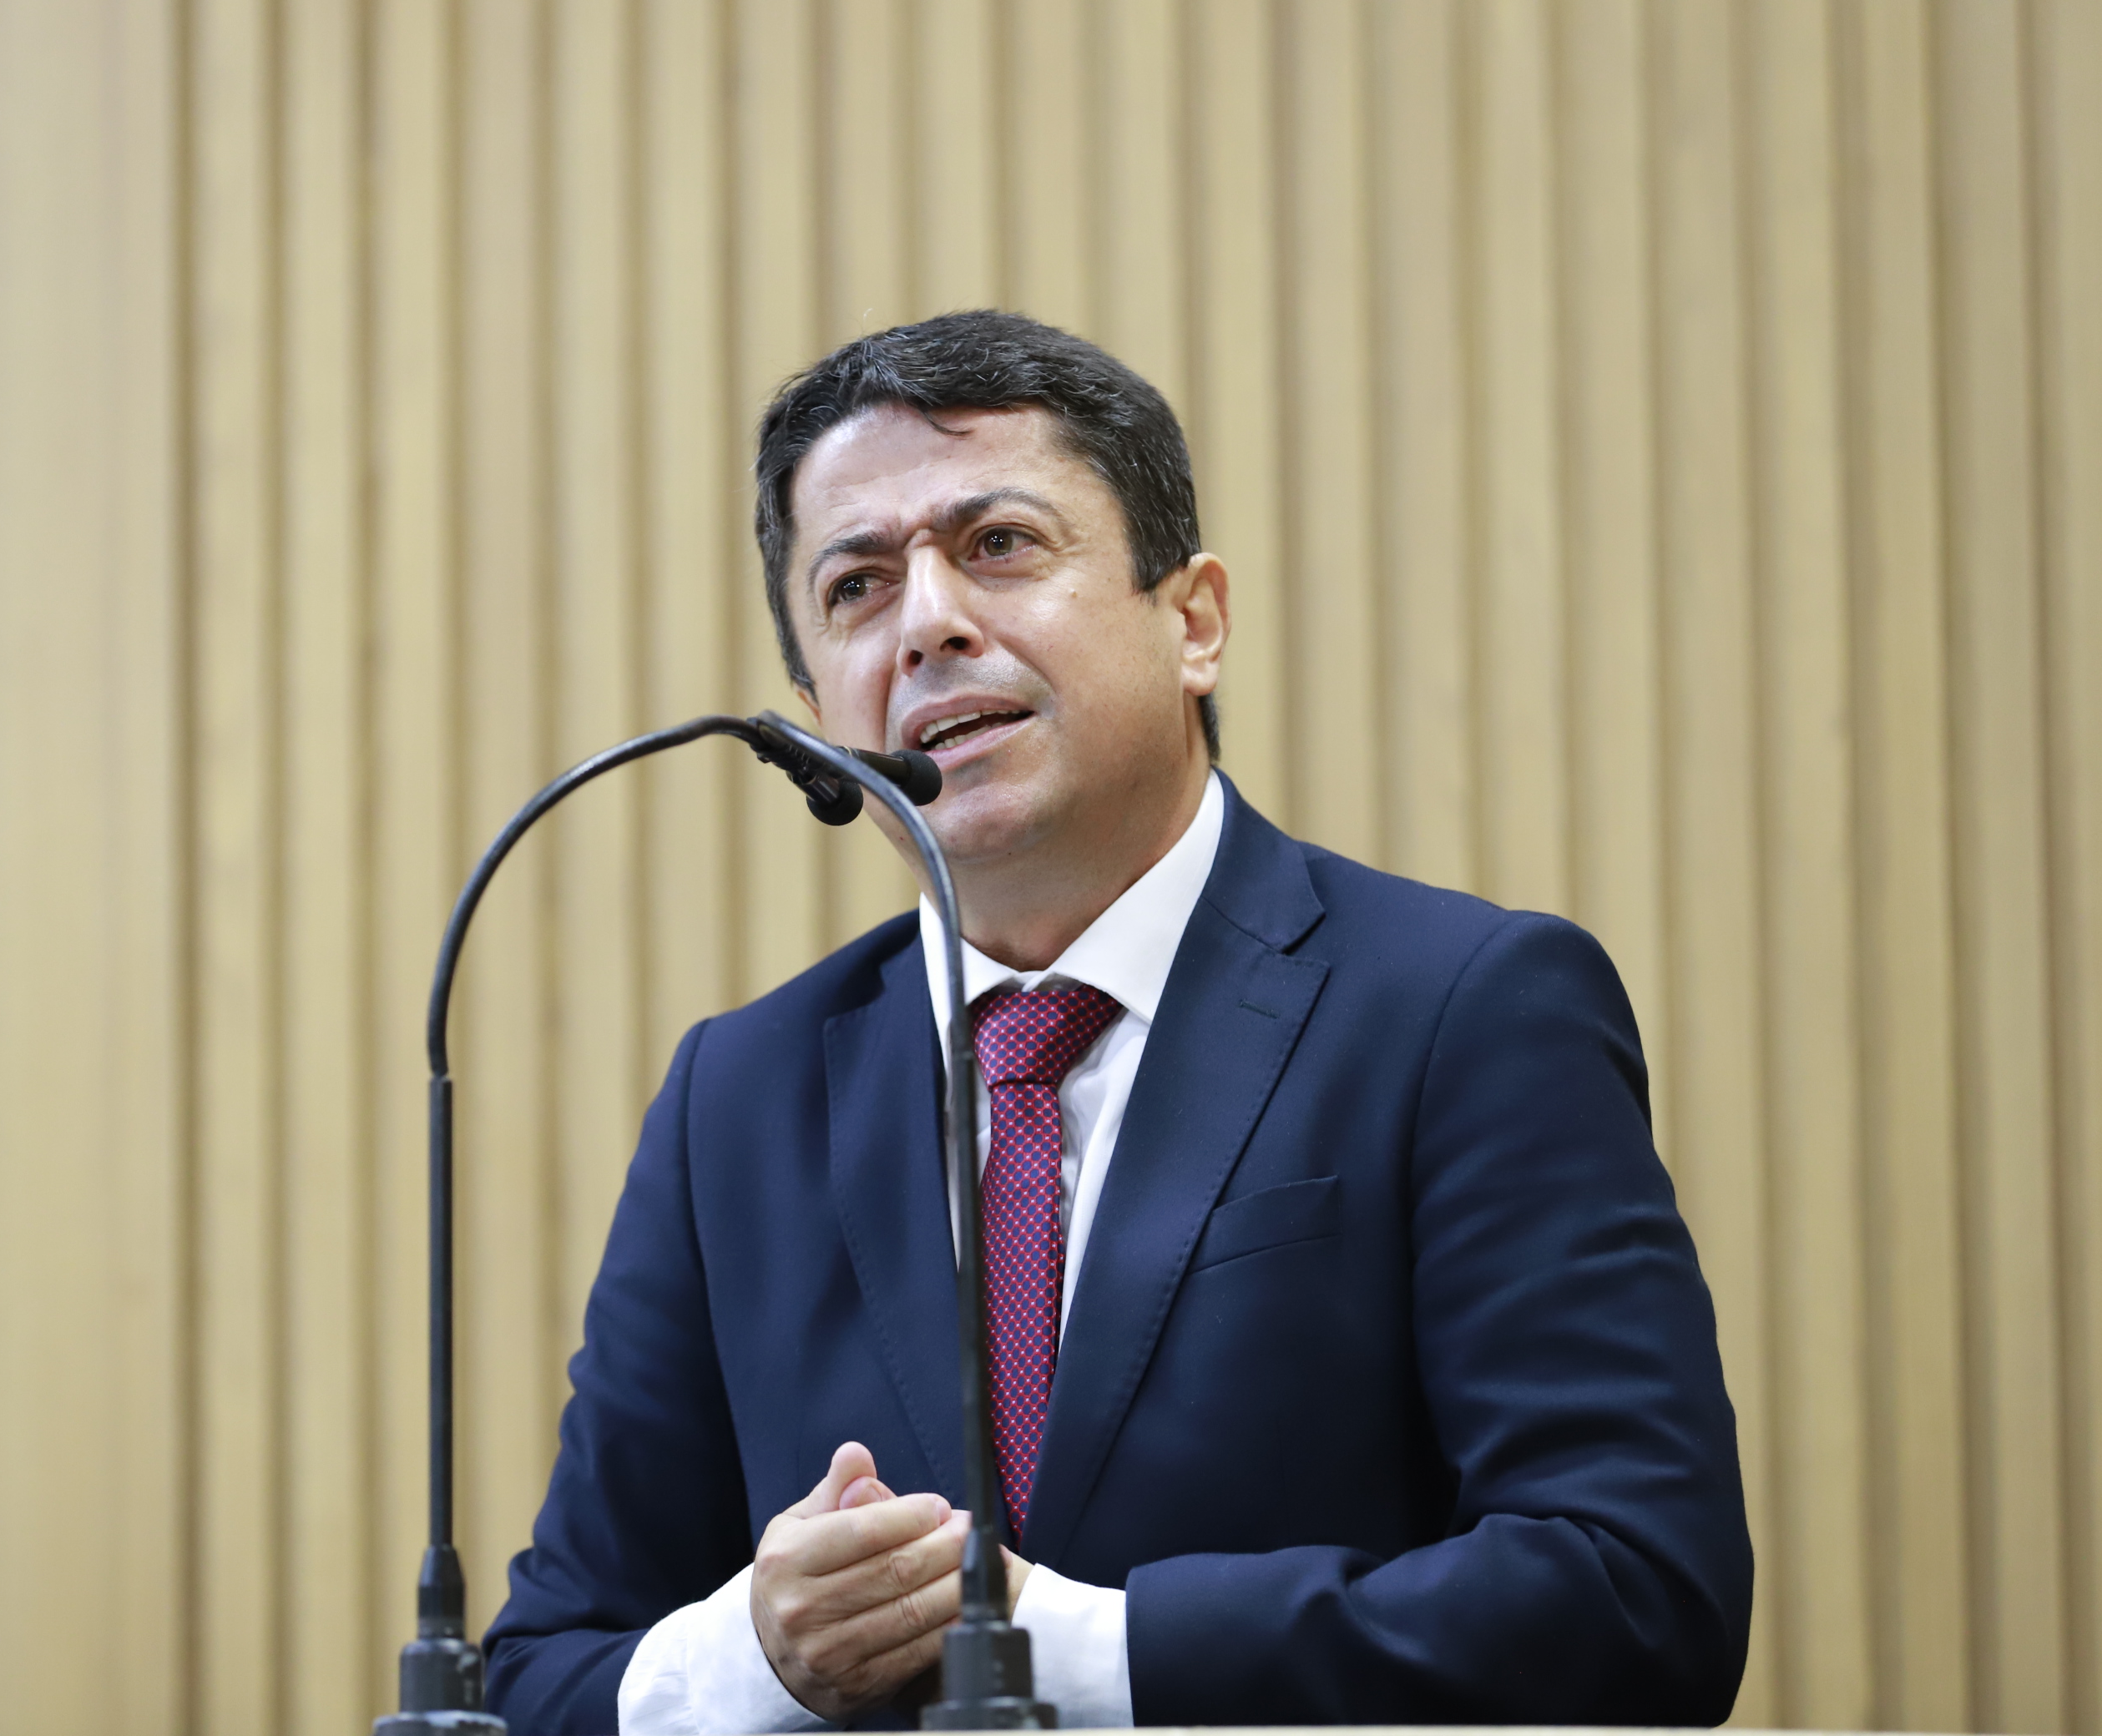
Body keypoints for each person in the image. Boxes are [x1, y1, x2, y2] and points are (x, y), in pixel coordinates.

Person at [483, 310, 1751, 1733]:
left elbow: (1639, 1593)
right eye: (857, 587)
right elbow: (534, 1677)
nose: (927, 624)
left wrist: (1075, 1649)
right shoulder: (742, 1094)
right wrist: (758, 1661)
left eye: (999, 545)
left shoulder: (1464, 1009)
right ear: (815, 717)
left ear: (1192, 622)